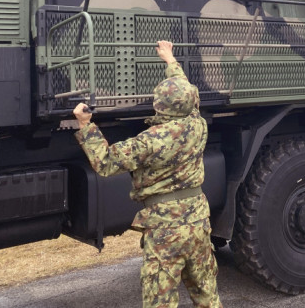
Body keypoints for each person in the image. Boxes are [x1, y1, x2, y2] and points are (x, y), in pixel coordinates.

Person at [72, 40, 222, 307]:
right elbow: (188, 96)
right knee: (207, 294)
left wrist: (85, 125)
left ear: (160, 105)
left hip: (165, 229)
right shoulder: (198, 124)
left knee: (160, 301)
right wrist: (170, 60)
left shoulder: (149, 142)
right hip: (198, 221)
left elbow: (105, 162)